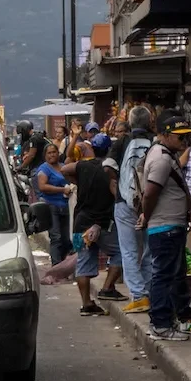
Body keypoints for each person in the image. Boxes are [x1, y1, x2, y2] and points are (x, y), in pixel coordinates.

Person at [136, 112, 191, 341]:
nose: (184, 141)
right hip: (166, 227)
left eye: (186, 136)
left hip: (170, 225)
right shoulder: (161, 159)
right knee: (164, 276)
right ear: (163, 135)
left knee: (172, 274)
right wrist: (146, 215)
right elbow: (150, 193)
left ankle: (172, 319)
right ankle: (161, 324)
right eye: (179, 136)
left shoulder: (164, 154)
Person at [62, 132, 123, 315]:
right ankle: (107, 288)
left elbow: (64, 169)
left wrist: (76, 180)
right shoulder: (110, 169)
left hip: (81, 223)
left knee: (83, 263)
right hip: (103, 223)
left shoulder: (83, 166)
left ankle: (86, 304)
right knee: (120, 252)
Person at [114, 104, 155, 314]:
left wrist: (119, 195)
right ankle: (148, 291)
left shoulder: (122, 142)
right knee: (150, 248)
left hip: (123, 204)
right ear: (150, 122)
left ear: (130, 123)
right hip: (151, 203)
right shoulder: (155, 142)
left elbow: (109, 169)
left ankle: (138, 296)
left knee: (128, 250)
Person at [30, 141, 73, 264]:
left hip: (65, 206)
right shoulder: (44, 169)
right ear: (45, 155)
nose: (52, 155)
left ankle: (64, 266)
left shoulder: (63, 166)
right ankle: (56, 267)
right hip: (51, 206)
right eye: (49, 153)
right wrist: (62, 189)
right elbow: (42, 187)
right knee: (56, 237)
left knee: (66, 239)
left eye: (54, 152)